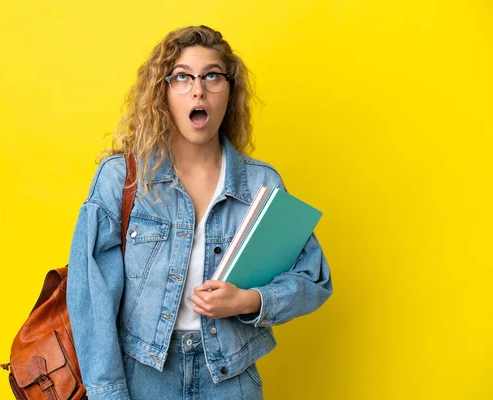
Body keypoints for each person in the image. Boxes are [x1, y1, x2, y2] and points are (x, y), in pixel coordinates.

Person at [66, 25, 333, 400]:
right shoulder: (122, 180)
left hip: (230, 378)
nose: (198, 89)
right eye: (182, 77)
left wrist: (248, 301)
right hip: (142, 377)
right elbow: (91, 299)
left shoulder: (261, 183)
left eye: (212, 76)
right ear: (163, 92)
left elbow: (314, 278)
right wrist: (108, 393)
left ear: (230, 90)